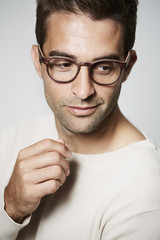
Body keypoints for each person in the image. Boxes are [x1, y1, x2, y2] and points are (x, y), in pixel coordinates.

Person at [0, 0, 160, 239]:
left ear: (127, 68)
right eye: (64, 64)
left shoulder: (145, 195)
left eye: (104, 67)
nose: (84, 91)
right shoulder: (12, 137)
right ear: (37, 61)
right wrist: (10, 208)